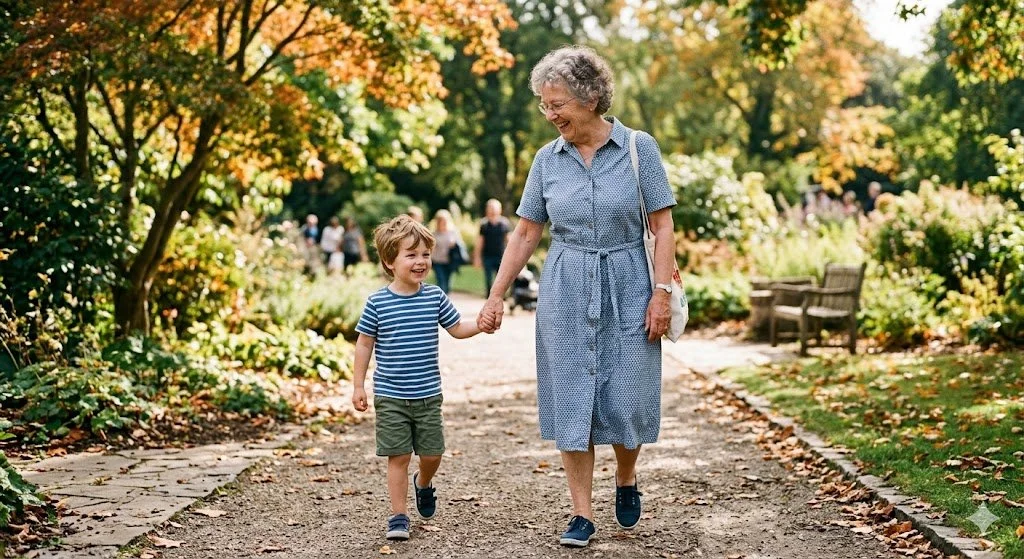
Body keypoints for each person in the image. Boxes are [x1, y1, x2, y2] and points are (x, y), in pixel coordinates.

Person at [476, 45, 677, 548]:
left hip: (631, 279)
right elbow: (524, 234)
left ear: (590, 98)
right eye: (545, 105)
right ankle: (581, 513)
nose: (550, 114)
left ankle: (626, 476)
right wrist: (496, 295)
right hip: (566, 284)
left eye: (557, 103)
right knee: (572, 400)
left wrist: (661, 293)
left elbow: (662, 224)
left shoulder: (638, 148)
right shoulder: (547, 161)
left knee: (627, 397)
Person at [350, 215, 482, 541]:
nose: (421, 261)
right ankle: (398, 516)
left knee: (432, 454)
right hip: (391, 394)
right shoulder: (377, 303)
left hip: (427, 394)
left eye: (424, 254)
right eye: (411, 255)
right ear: (389, 262)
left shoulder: (434, 297)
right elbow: (364, 343)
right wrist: (358, 385)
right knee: (399, 456)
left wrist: (481, 324)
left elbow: (458, 329)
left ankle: (423, 482)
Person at [473, 199, 512, 297]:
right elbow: (479, 242)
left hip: (501, 256)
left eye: (495, 208)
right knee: (488, 278)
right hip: (487, 256)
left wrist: (512, 255)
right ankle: (489, 296)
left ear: (500, 210)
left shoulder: (504, 223)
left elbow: (510, 241)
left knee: (501, 278)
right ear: (487, 210)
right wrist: (477, 257)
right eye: (490, 208)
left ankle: (501, 295)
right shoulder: (484, 225)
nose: (493, 211)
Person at [430, 209, 462, 294]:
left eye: (444, 220)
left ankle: (444, 300)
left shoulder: (453, 232)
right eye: (440, 220)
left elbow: (460, 245)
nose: (443, 222)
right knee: (441, 281)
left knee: (448, 284)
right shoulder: (433, 233)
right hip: (437, 262)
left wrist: (454, 244)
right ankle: (440, 301)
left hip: (449, 262)